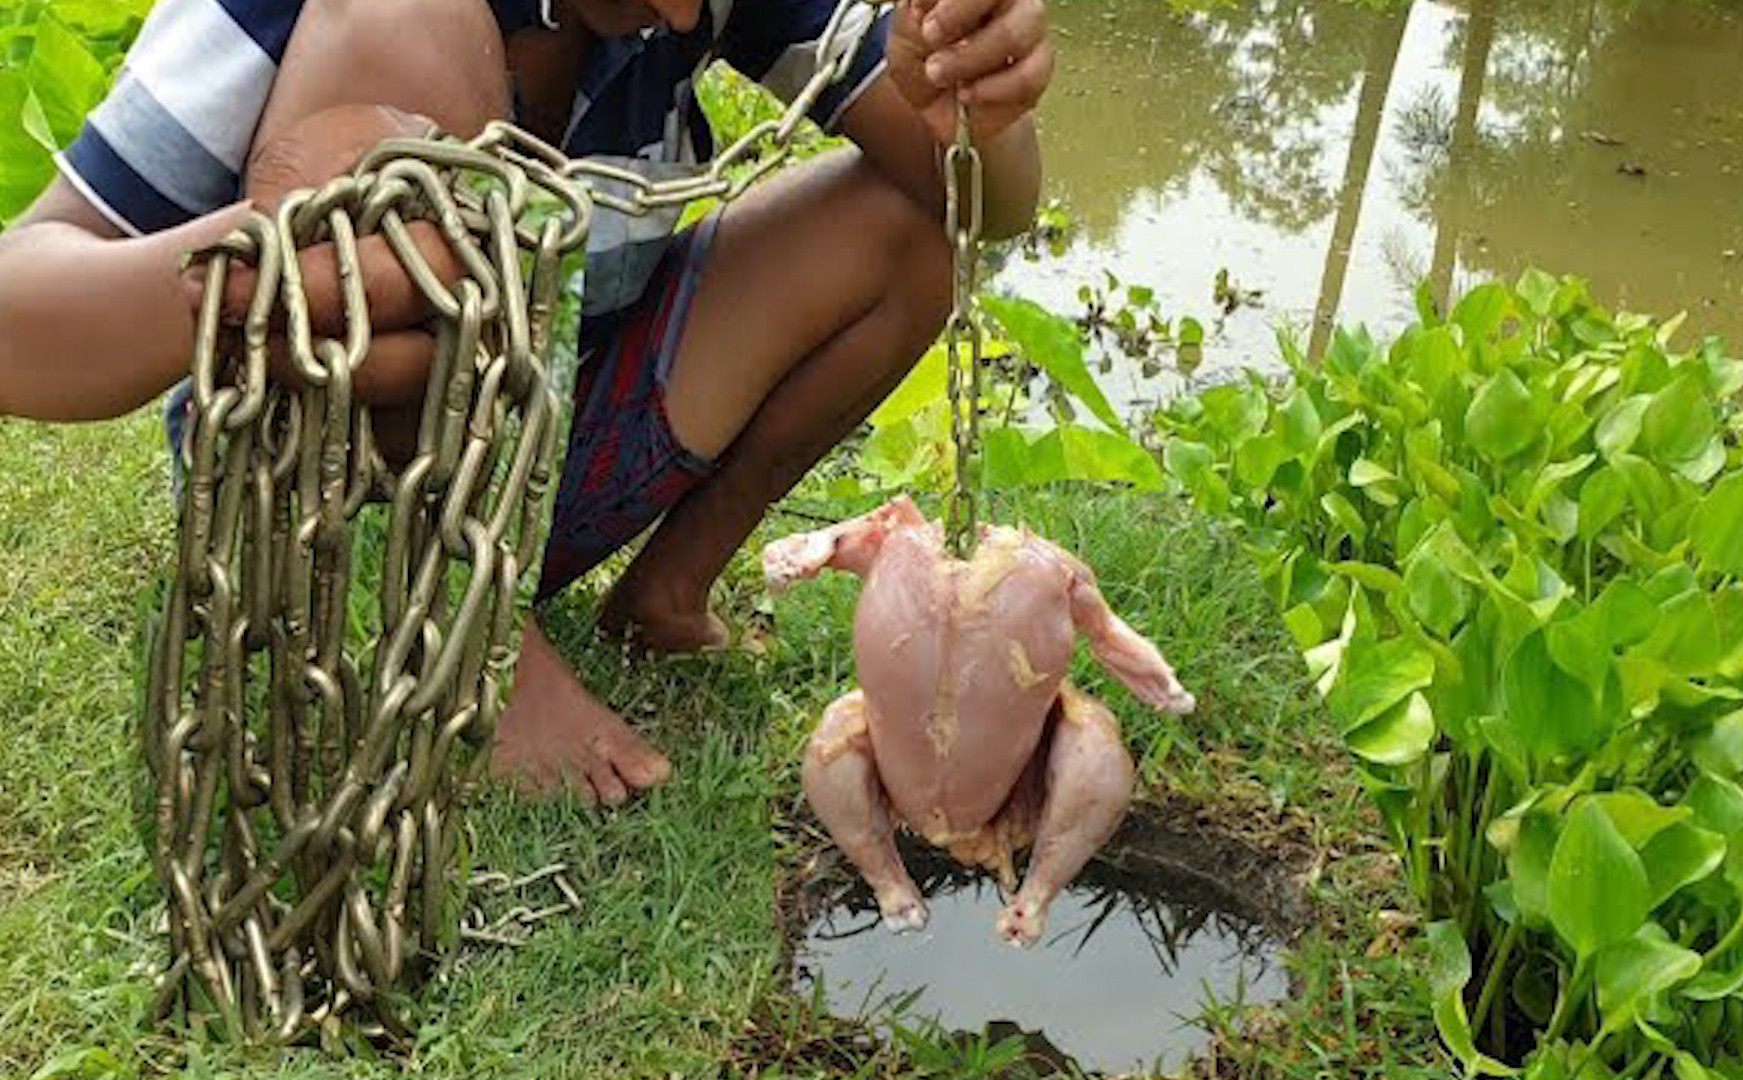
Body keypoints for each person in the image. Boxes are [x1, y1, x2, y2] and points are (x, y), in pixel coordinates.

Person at [0, 0, 1051, 806]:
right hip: (332, 502)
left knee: (909, 233)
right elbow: (20, 309)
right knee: (397, 24)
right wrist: (259, 265)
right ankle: (475, 646)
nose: (685, 19)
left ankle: (662, 599)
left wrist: (975, 92)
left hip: (540, 459)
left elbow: (979, 203)